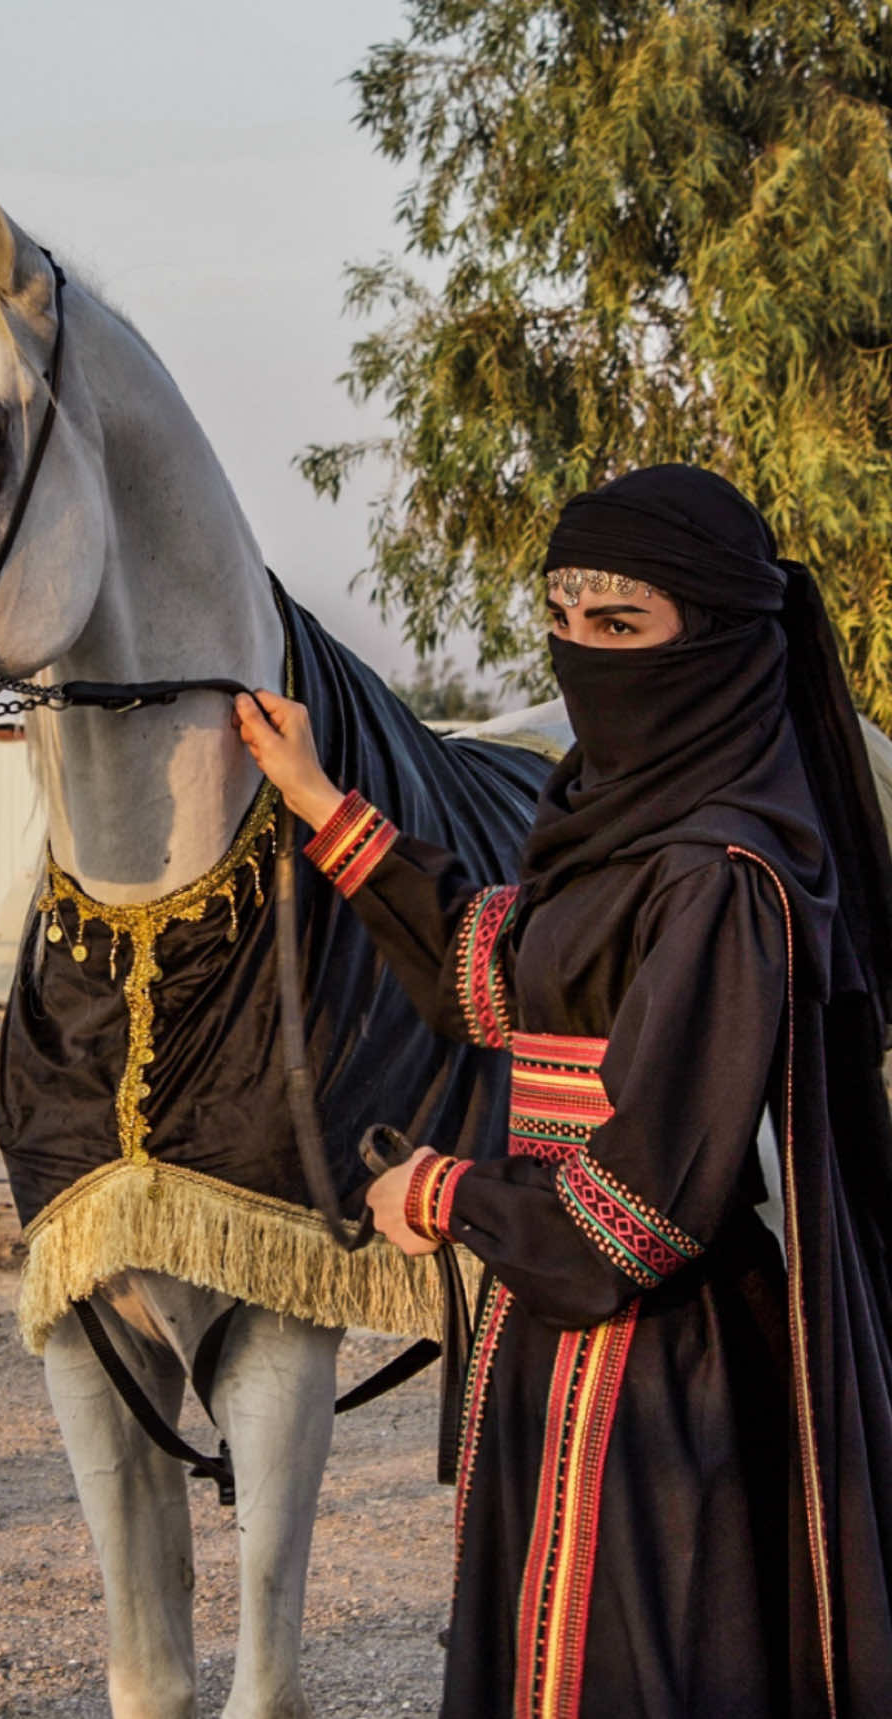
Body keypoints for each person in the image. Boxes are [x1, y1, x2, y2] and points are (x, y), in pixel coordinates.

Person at [234, 465, 892, 1719]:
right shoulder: (614, 835)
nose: (581, 652)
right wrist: (322, 804)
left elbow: (630, 1221)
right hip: (556, 1335)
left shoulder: (720, 875)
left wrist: (443, 1189)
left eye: (622, 624)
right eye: (564, 616)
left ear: (716, 647)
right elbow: (494, 974)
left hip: (662, 1379)